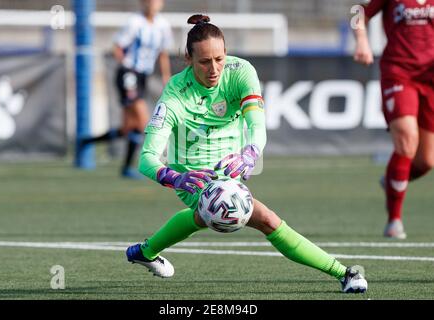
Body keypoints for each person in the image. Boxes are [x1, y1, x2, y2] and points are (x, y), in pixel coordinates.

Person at [125, 14, 368, 293]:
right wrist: (175, 178)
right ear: (188, 59)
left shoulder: (241, 71)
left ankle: (145, 251)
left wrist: (252, 152)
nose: (214, 68)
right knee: (266, 220)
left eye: (219, 58)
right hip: (193, 176)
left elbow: (256, 125)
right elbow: (147, 159)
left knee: (202, 217)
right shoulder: (174, 96)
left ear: (226, 53)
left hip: (231, 166)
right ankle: (343, 273)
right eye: (204, 61)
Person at [353, 0, 434, 239]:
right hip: (399, 73)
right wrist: (362, 41)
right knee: (407, 141)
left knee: (426, 162)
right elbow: (357, 11)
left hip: (430, 77)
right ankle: (394, 221)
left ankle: (392, 180)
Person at [80, 0, 172, 179]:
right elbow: (117, 47)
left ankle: (88, 142)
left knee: (128, 128)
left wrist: (166, 77)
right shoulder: (134, 22)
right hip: (129, 74)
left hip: (143, 76)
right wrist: (125, 67)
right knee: (145, 120)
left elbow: (163, 53)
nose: (152, 3)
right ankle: (160, 163)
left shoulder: (163, 25)